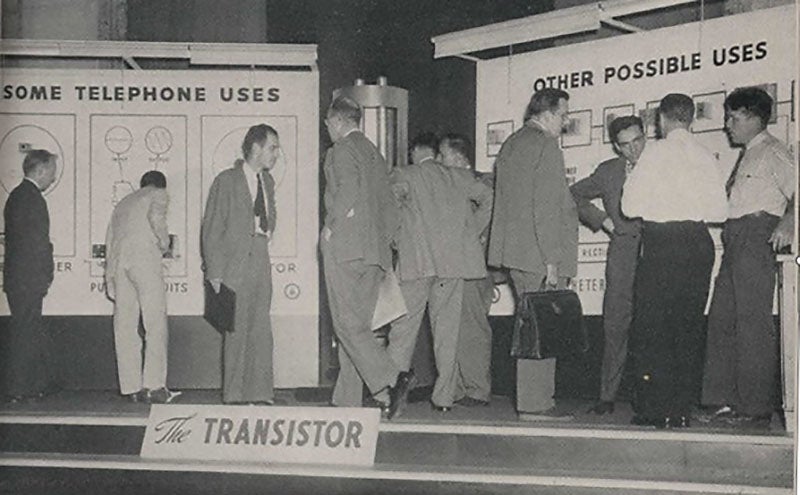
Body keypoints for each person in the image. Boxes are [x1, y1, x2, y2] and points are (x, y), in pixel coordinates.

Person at [621, 93, 728, 428]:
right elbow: (720, 212)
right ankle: (681, 410)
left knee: (653, 329)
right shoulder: (706, 156)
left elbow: (629, 208)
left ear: (661, 120)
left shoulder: (654, 154)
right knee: (688, 327)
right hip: (697, 244)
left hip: (662, 245)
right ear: (691, 119)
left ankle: (656, 410)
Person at [700, 87, 796, 428]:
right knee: (722, 319)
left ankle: (754, 407)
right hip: (736, 239)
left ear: (756, 118)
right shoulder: (748, 155)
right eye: (727, 116)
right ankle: (723, 400)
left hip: (757, 238)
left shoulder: (773, 151)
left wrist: (789, 220)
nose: (727, 125)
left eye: (735, 118)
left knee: (752, 323)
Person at [487, 88, 578, 414]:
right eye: (563, 115)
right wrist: (552, 260)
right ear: (547, 113)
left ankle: (532, 401)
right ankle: (538, 403)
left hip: (517, 254)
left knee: (530, 327)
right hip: (541, 255)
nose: (565, 123)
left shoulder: (512, 144)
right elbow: (546, 209)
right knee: (543, 329)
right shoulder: (546, 146)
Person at [320, 96, 412, 419]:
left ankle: (390, 379)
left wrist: (331, 228)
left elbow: (346, 192)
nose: (327, 129)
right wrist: (383, 246)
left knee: (347, 326)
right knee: (357, 326)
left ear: (340, 122)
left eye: (329, 123)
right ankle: (346, 402)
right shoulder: (375, 153)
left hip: (347, 249)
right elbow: (391, 209)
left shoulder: (341, 150)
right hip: (375, 253)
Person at [390, 133, 493, 412]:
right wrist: (470, 232)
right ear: (436, 155)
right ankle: (444, 400)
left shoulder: (403, 174)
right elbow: (488, 197)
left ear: (414, 153)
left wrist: (397, 240)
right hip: (451, 267)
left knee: (402, 332)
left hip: (416, 265)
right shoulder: (458, 177)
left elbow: (390, 210)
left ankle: (390, 396)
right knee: (447, 335)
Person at [571, 116, 645, 415]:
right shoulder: (609, 171)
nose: (633, 150)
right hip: (623, 252)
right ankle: (607, 396)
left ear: (645, 136)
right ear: (616, 146)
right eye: (625, 145)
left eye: (638, 141)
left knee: (653, 326)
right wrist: (601, 220)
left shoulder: (663, 164)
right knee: (615, 323)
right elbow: (572, 193)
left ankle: (649, 396)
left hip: (661, 251)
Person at [202, 124, 278, 405]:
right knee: (236, 330)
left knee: (261, 329)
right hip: (234, 265)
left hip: (260, 258)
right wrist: (215, 272)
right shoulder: (226, 180)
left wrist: (265, 232)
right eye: (272, 147)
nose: (276, 154)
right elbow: (212, 227)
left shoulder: (267, 182)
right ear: (255, 148)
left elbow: (271, 216)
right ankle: (234, 395)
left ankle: (261, 392)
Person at [105, 170, 179, 404]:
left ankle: (131, 388)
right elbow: (157, 219)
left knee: (125, 326)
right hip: (144, 260)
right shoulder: (158, 194)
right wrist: (164, 243)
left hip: (119, 264)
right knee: (155, 323)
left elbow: (110, 241)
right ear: (161, 185)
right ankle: (154, 387)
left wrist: (109, 277)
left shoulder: (123, 203)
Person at [438, 133, 495, 407]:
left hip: (475, 266)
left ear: (459, 159)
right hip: (457, 264)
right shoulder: (451, 184)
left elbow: (489, 203)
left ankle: (476, 389)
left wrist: (470, 233)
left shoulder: (477, 182)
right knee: (457, 326)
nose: (439, 160)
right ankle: (460, 388)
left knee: (473, 326)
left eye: (443, 155)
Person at [2, 149, 57, 403]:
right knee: (25, 332)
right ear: (41, 169)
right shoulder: (32, 198)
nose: (53, 178)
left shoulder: (17, 196)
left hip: (18, 277)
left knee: (24, 330)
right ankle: (17, 388)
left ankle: (25, 386)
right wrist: (46, 272)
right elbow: (38, 242)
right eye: (52, 172)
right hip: (28, 278)